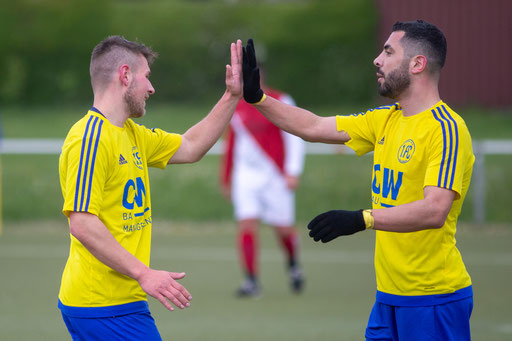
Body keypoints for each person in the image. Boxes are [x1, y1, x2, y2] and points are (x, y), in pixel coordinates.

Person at [242, 20, 474, 341]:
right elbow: (314, 127)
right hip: (388, 295)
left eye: (388, 52)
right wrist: (258, 98)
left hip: (432, 297)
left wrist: (361, 219)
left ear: (418, 64)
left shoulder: (446, 129)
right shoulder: (386, 118)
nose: (377, 59)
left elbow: (434, 210)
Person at [58, 36, 243, 340]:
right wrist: (144, 274)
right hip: (103, 303)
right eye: (147, 77)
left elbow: (192, 146)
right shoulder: (90, 139)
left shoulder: (131, 133)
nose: (151, 88)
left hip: (118, 302)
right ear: (126, 75)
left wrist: (231, 95)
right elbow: (82, 222)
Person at [220, 66, 306, 297]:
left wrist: (292, 171)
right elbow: (230, 143)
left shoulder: (280, 100)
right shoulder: (234, 106)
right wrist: (226, 177)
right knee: (246, 225)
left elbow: (295, 135)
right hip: (245, 176)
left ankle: (294, 265)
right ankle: (251, 280)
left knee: (283, 229)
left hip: (275, 175)